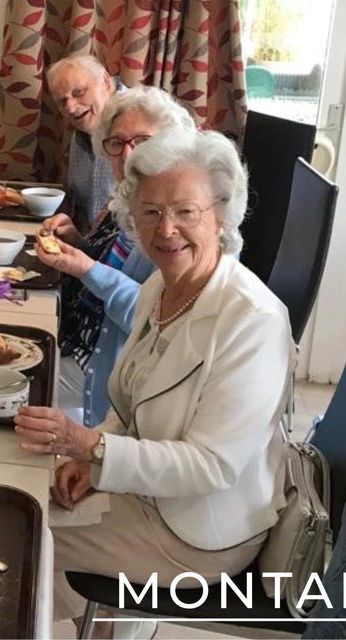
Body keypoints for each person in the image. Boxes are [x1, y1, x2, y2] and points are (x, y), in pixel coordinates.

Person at [15, 128, 295, 634]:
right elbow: (128, 400)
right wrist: (91, 455)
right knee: (20, 499)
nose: (166, 230)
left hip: (197, 530)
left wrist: (93, 446)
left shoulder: (253, 321)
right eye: (150, 211)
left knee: (19, 538)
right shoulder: (161, 287)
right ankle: (102, 628)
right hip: (143, 492)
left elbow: (210, 468)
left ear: (221, 214)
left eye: (186, 211)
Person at [34, 87, 195, 425]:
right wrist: (77, 242)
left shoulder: (175, 222)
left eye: (142, 140)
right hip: (78, 338)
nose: (128, 153)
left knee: (15, 387)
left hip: (108, 369)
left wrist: (86, 268)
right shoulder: (126, 197)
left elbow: (160, 321)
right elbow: (111, 265)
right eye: (116, 143)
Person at [45, 54, 121, 233]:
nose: (70, 108)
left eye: (78, 92)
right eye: (62, 102)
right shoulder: (81, 132)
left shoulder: (145, 122)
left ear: (105, 81)